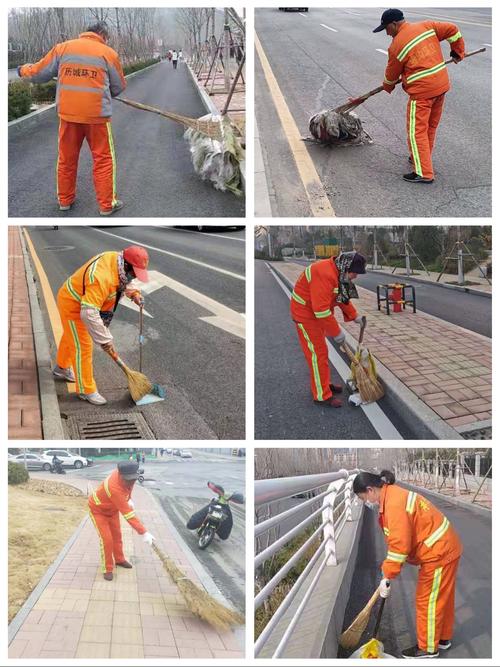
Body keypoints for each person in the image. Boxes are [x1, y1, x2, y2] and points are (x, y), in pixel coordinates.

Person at [17, 21, 126, 215]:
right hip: (97, 118)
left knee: (66, 159)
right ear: (102, 34)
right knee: (103, 160)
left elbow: (39, 73)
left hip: (68, 116)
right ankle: (106, 206)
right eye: (106, 37)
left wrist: (22, 70)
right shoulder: (108, 53)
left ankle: (65, 201)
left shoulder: (63, 48)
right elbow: (118, 88)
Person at [353, 470, 463, 659]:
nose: (366, 503)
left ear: (370, 490)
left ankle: (428, 648)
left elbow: (399, 546)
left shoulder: (394, 504)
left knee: (427, 601)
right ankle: (442, 638)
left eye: (363, 498)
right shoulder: (392, 494)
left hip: (438, 552)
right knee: (441, 598)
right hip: (444, 546)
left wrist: (387, 575)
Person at [373, 9, 465, 183]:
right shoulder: (427, 26)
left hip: (422, 93)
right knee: (430, 127)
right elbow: (453, 30)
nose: (386, 32)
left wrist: (387, 86)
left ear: (394, 24)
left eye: (386, 28)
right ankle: (422, 157)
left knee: (417, 132)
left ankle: (423, 172)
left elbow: (391, 76)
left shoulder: (396, 46)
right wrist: (457, 52)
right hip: (441, 86)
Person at [52, 246, 149, 405]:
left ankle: (61, 368)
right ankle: (86, 390)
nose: (133, 277)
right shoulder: (101, 276)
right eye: (133, 273)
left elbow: (124, 281)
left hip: (85, 301)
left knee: (72, 336)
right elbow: (88, 313)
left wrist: (135, 294)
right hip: (73, 303)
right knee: (82, 346)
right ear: (125, 265)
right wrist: (105, 339)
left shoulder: (118, 264)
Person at [290, 251, 367, 407]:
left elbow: (340, 298)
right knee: (317, 354)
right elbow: (321, 310)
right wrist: (336, 332)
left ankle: (324, 384)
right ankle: (321, 395)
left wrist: (355, 316)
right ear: (346, 268)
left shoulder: (338, 272)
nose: (355, 276)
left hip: (315, 314)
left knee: (322, 352)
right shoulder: (324, 274)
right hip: (305, 315)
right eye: (354, 273)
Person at [88, 461, 155, 581]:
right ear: (121, 475)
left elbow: (129, 488)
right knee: (107, 540)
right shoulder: (113, 487)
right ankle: (107, 568)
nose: (131, 482)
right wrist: (143, 532)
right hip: (98, 511)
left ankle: (119, 560)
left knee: (117, 536)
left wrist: (129, 498)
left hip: (112, 510)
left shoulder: (130, 478)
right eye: (128, 480)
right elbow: (128, 515)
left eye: (133, 479)